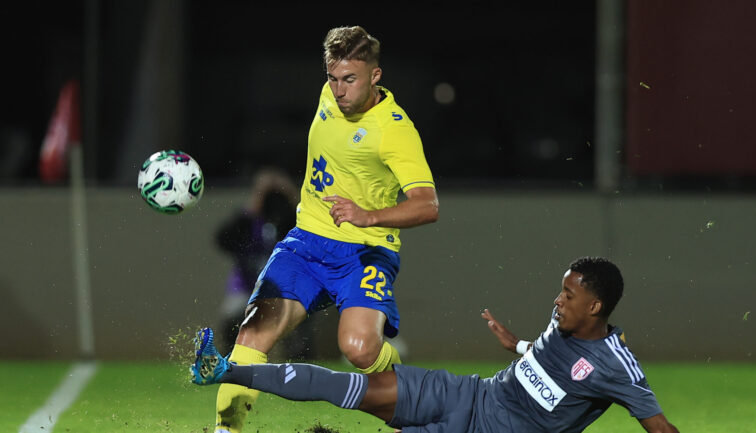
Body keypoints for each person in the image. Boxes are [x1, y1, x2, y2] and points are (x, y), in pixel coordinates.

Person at [212, 26, 439, 433]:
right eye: (332, 78)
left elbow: (427, 205)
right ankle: (226, 431)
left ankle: (409, 392)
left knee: (358, 348)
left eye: (350, 80)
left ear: (375, 76)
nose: (339, 90)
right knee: (251, 335)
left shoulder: (395, 130)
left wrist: (369, 215)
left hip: (365, 250)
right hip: (306, 243)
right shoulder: (328, 96)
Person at [191, 257, 679, 433]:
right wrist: (519, 345)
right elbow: (550, 364)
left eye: (568, 296)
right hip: (470, 395)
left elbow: (659, 427)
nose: (557, 301)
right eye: (560, 290)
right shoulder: (567, 326)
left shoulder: (617, 366)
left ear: (595, 308)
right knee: (354, 388)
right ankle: (225, 370)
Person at [214, 168, 299, 354]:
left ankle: (297, 363)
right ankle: (231, 360)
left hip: (283, 290)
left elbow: (306, 231)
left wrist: (291, 197)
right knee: (232, 317)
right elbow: (222, 240)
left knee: (299, 323)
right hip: (245, 287)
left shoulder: (288, 220)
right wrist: (253, 206)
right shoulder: (247, 221)